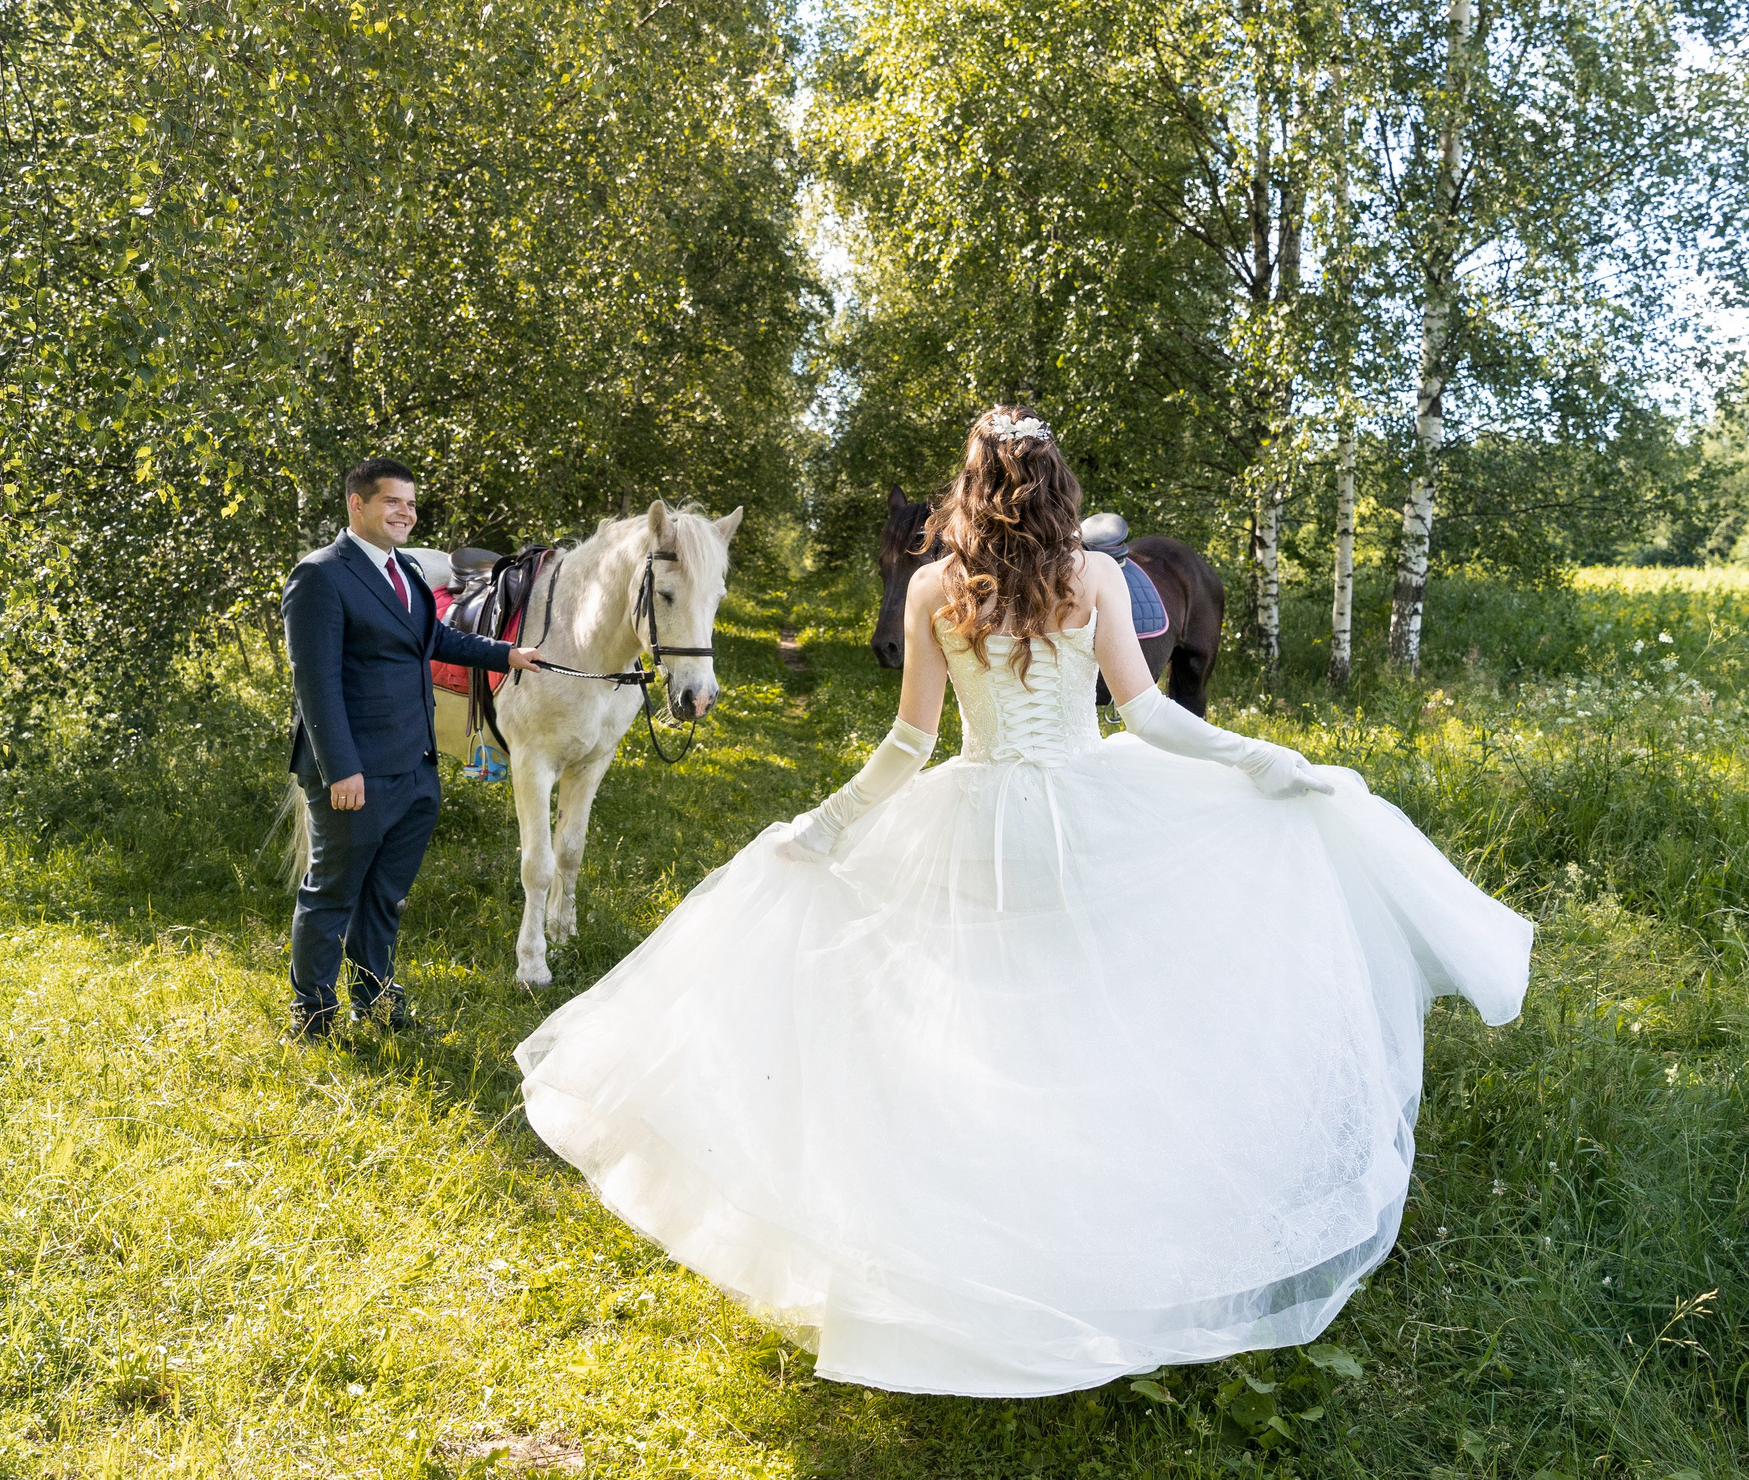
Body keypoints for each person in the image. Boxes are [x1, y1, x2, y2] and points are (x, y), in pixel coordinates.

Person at [515, 407, 1534, 1396]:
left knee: (977, 1025)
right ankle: (1099, 1241)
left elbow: (910, 745)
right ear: (1057, 489)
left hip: (976, 818)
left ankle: (966, 1254)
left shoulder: (929, 588)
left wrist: (823, 827)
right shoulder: (1092, 574)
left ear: (968, 486)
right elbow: (1150, 719)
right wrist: (1264, 760)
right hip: (1086, 814)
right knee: (1092, 1021)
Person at [283, 457, 541, 1039]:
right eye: (393, 502)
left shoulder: (406, 571)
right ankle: (313, 1015)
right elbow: (315, 683)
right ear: (358, 504)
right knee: (332, 892)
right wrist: (341, 770)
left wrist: (507, 655)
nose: (407, 513)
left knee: (385, 894)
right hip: (354, 770)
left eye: (412, 503)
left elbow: (433, 640)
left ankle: (372, 1001)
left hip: (415, 765)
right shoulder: (321, 575)